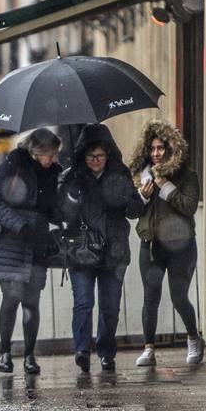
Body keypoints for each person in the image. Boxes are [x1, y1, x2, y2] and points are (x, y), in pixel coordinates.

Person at [57, 124, 144, 373]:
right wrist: (71, 198)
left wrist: (126, 199)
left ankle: (106, 353)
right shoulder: (73, 176)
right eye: (90, 156)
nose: (95, 161)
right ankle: (82, 350)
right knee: (83, 302)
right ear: (83, 155)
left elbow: (135, 211)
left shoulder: (119, 174)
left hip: (113, 251)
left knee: (110, 305)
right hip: (81, 250)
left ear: (108, 154)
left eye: (100, 156)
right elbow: (61, 212)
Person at [0, 128, 62, 374]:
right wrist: (19, 224)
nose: (54, 159)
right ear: (36, 152)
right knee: (12, 297)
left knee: (32, 301)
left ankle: (29, 355)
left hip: (37, 244)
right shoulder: (12, 165)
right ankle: (5, 352)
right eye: (50, 154)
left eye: (56, 154)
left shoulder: (55, 174)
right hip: (11, 244)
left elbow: (53, 209)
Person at [128, 120, 204, 367]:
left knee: (179, 296)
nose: (156, 154)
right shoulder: (143, 176)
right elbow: (130, 211)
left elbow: (189, 206)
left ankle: (193, 337)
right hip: (151, 245)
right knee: (151, 297)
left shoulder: (187, 175)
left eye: (160, 148)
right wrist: (143, 195)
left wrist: (166, 188)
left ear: (171, 149)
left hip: (181, 247)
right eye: (152, 149)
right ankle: (149, 348)